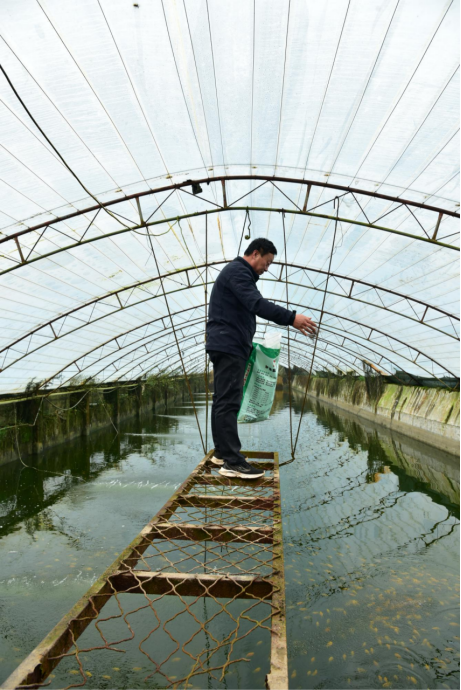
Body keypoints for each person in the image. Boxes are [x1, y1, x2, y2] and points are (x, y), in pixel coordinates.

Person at [206, 238, 318, 480]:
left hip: (226, 343)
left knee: (222, 400)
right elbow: (256, 304)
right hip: (229, 345)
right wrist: (292, 318)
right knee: (229, 402)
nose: (267, 268)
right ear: (255, 253)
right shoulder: (238, 271)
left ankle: (222, 453)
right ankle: (233, 462)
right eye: (266, 262)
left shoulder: (237, 274)